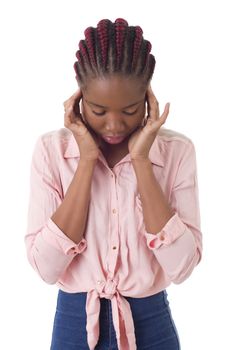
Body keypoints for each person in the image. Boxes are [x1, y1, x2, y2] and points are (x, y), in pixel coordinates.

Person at [24, 18, 203, 350]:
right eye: (98, 110)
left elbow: (181, 267)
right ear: (79, 100)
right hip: (74, 323)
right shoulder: (52, 152)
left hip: (152, 323)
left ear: (148, 99)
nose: (115, 124)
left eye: (131, 110)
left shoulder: (177, 152)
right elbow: (47, 268)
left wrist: (142, 163)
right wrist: (86, 161)